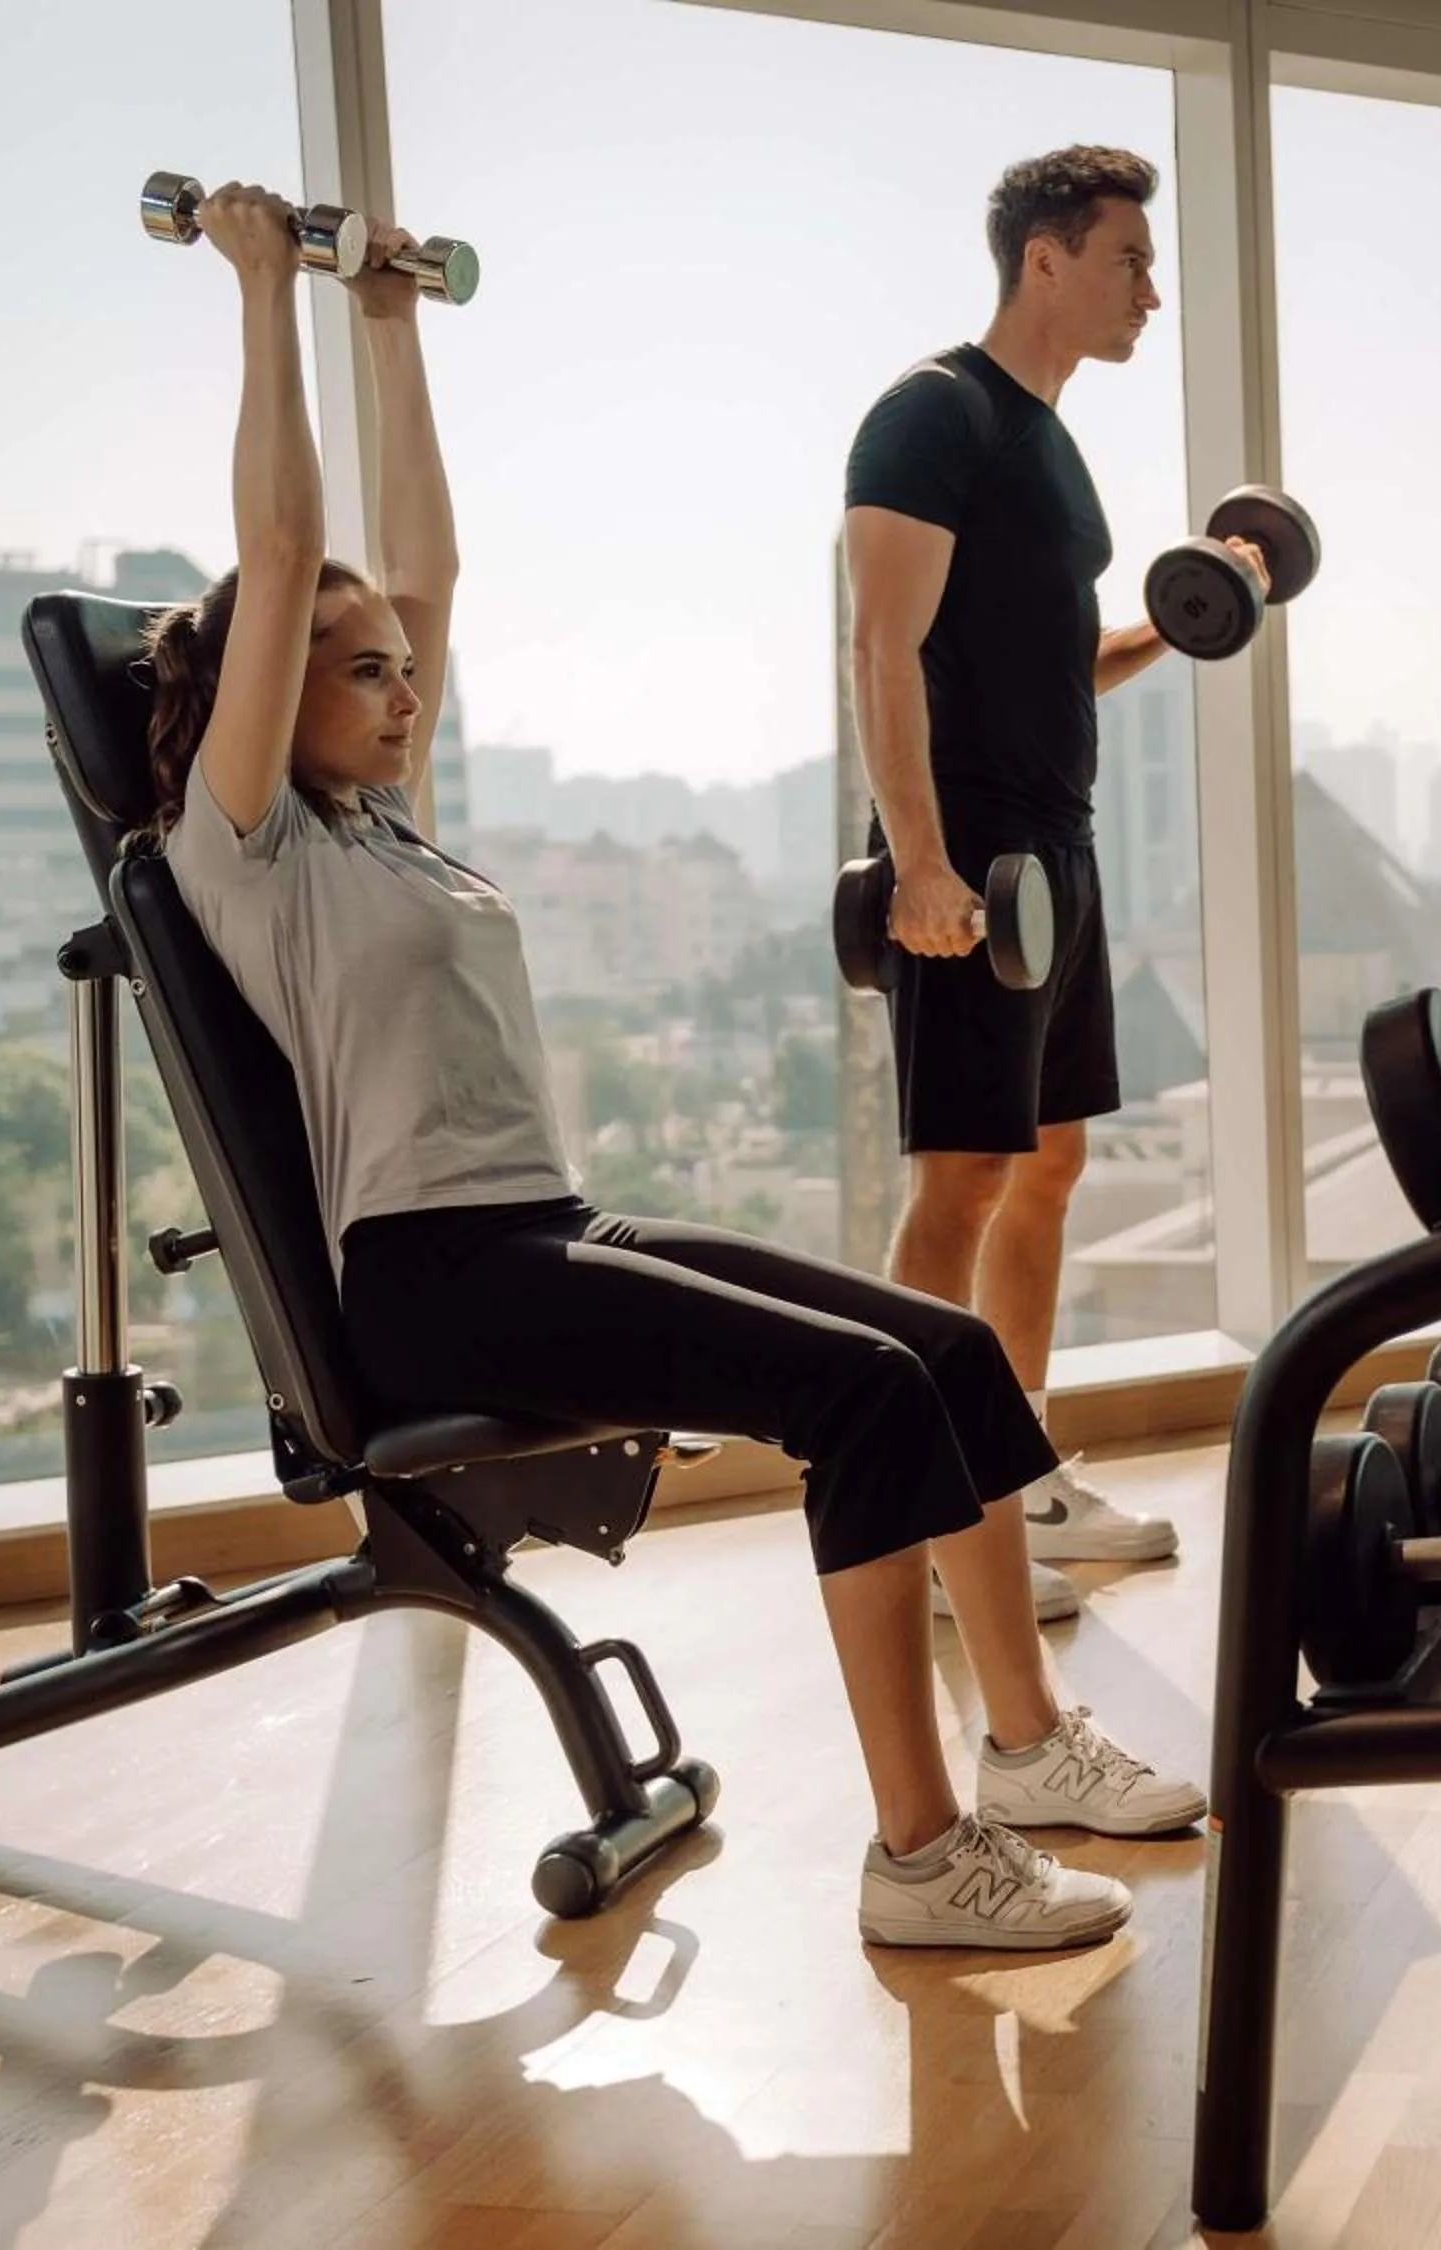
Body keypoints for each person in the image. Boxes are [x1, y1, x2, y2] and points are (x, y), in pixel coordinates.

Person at [148, 182, 1202, 1953]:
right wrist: (267, 291)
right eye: (359, 672)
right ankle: (922, 1853)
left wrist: (389, 325)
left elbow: (428, 571)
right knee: (861, 1399)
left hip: (540, 1228)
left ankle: (1027, 1751)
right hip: (428, 1283)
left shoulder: (387, 826)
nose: (403, 691)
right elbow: (285, 542)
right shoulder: (247, 848)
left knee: (944, 1351)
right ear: (265, 691)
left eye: (406, 672)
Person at [843, 148, 1264, 1603]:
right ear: (1045, 258)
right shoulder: (932, 415)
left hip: (1061, 848)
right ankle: (924, 1520)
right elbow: (882, 645)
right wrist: (919, 864)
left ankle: (1013, 1482)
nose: (1151, 290)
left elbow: (1046, 662)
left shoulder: (1049, 441)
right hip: (972, 855)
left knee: (1050, 1166)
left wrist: (1190, 614)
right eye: (1129, 260)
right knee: (962, 1180)